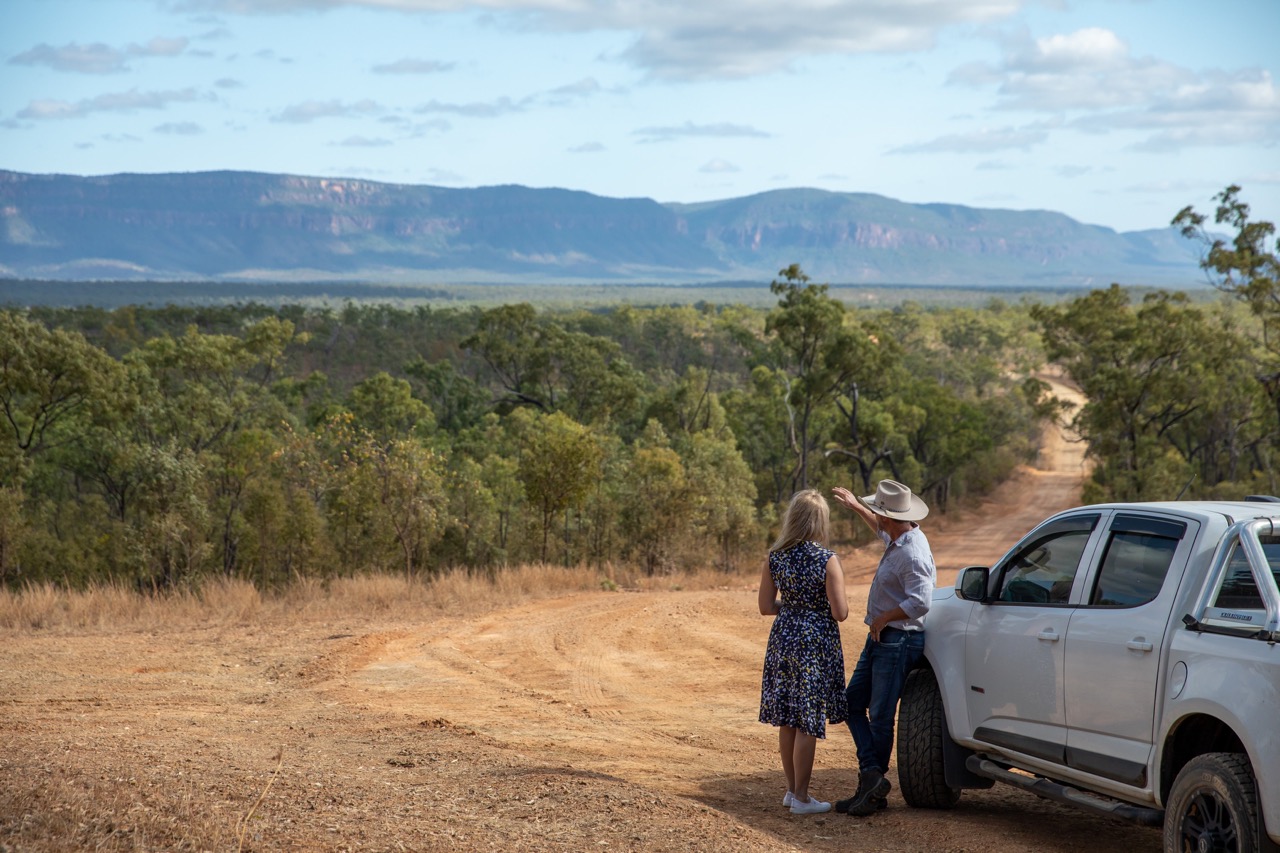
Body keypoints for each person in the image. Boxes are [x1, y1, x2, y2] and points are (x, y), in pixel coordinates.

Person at [830, 479, 935, 817]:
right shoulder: (897, 535)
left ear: (888, 517)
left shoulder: (912, 552)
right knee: (851, 705)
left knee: (880, 717)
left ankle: (871, 785)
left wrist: (884, 618)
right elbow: (879, 528)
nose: (876, 518)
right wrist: (857, 507)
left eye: (877, 512)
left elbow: (921, 602)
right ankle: (872, 779)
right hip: (883, 636)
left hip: (897, 638)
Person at [758, 489, 850, 815]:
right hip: (813, 643)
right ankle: (801, 796)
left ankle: (791, 790)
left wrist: (794, 607)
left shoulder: (775, 556)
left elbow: (766, 606)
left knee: (787, 718)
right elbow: (840, 612)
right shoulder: (827, 559)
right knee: (807, 721)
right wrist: (814, 609)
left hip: (783, 638)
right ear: (819, 520)